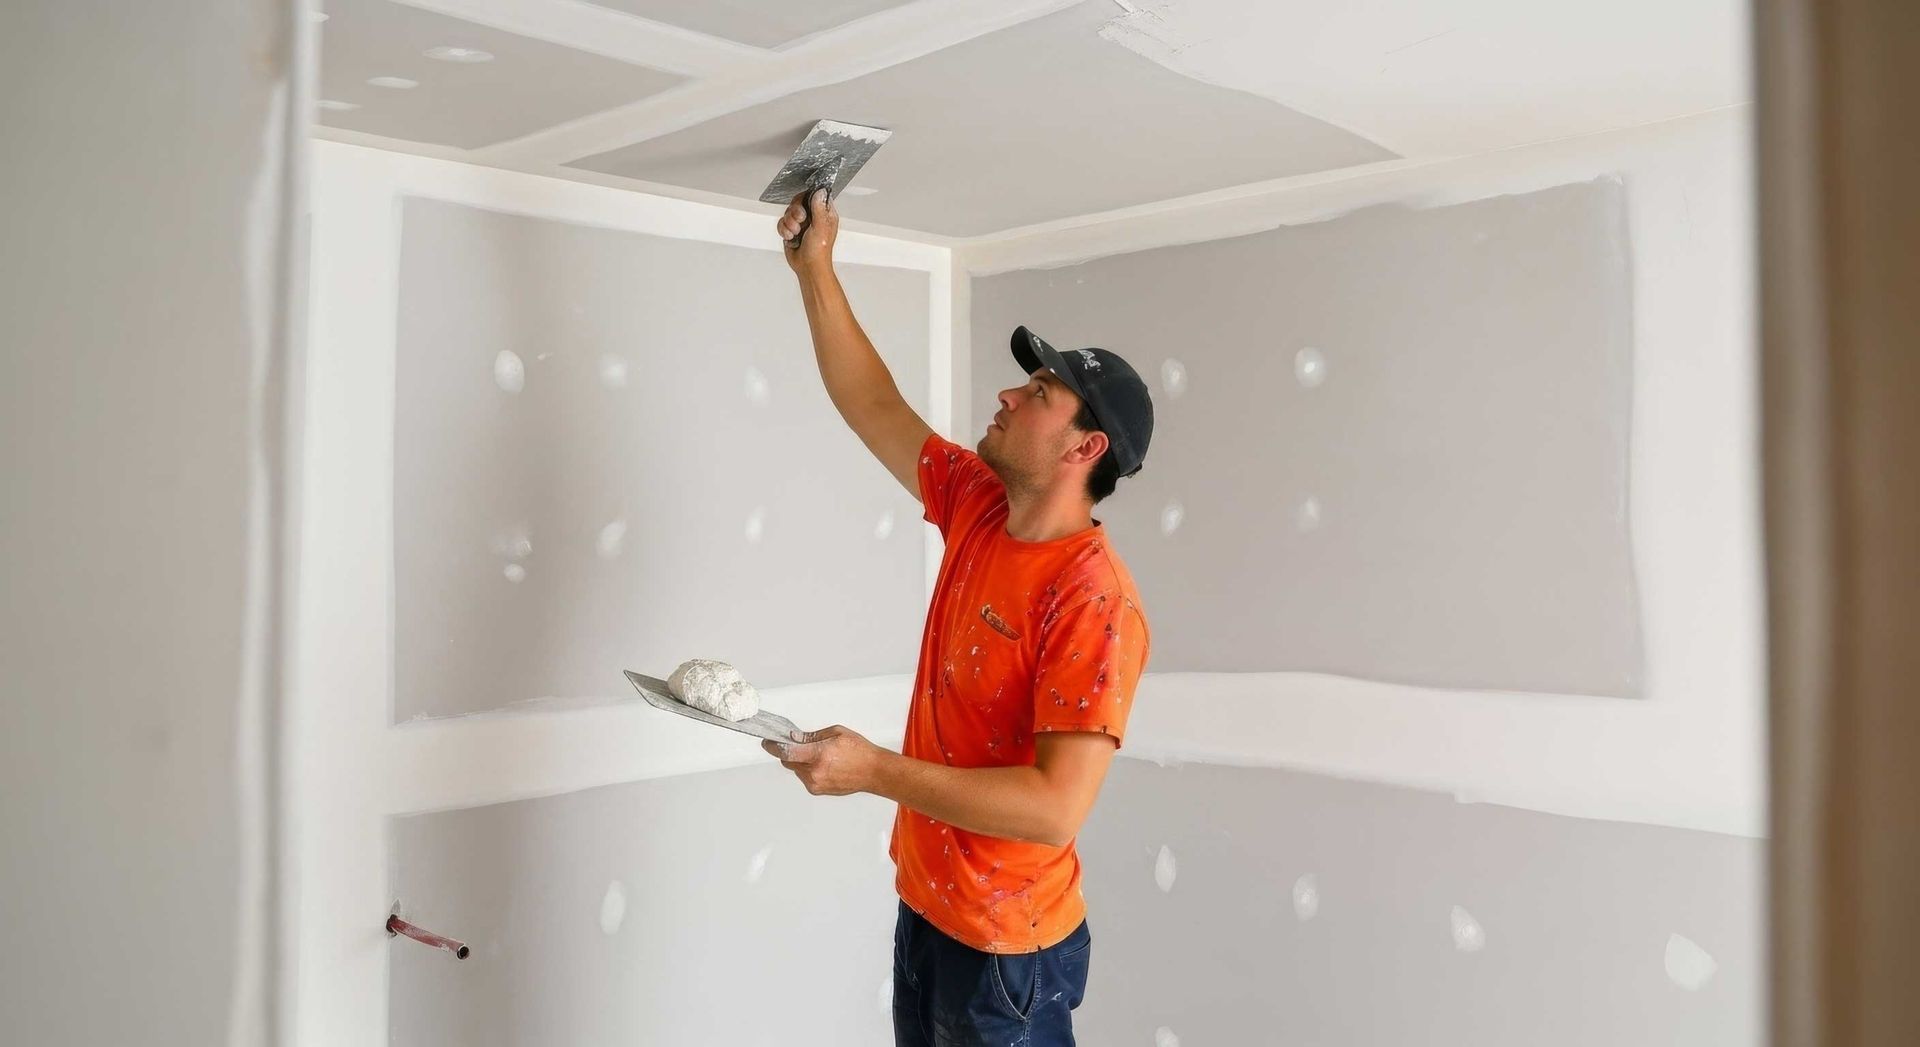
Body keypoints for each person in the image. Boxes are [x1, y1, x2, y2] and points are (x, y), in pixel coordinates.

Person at [763, 187, 1154, 1046]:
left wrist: (873, 770)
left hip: (1007, 954)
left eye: (1041, 392)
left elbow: (1056, 808)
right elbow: (874, 404)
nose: (1011, 395)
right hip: (928, 911)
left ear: (1084, 447)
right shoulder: (980, 502)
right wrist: (816, 271)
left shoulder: (1092, 597)